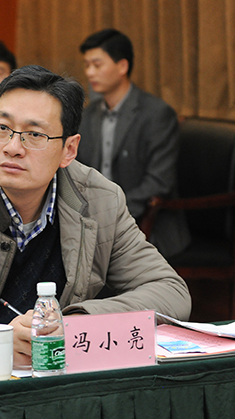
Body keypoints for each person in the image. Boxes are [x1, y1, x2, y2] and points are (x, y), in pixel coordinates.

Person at [0, 65, 191, 367]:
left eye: (35, 134)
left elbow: (170, 292)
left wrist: (74, 323)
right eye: (3, 129)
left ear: (69, 150)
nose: (13, 147)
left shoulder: (100, 200)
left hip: (60, 376)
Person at [76, 29, 190, 257]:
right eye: (87, 65)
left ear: (122, 66)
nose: (89, 72)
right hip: (94, 225)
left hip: (147, 223)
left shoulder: (156, 114)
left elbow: (159, 182)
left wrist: (110, 214)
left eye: (97, 65)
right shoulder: (88, 115)